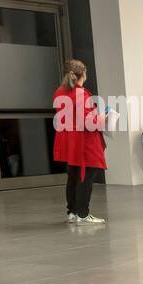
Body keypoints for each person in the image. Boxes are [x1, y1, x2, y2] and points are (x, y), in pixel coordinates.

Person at [52, 59, 107, 224]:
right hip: (84, 141)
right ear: (83, 74)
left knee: (74, 176)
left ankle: (73, 212)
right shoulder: (81, 94)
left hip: (68, 139)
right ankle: (83, 214)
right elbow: (88, 122)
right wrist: (102, 118)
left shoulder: (60, 92)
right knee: (86, 176)